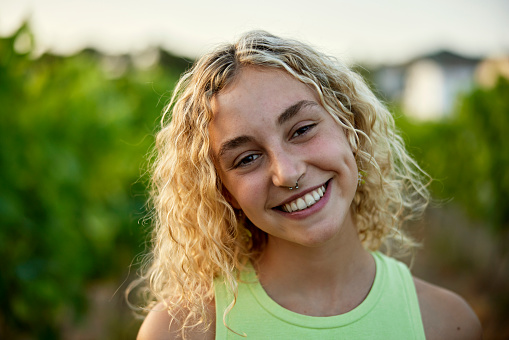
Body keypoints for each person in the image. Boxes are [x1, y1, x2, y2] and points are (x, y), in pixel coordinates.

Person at [131, 31, 482, 339]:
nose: (286, 173)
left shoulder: (446, 324)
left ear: (351, 127)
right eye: (247, 158)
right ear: (225, 192)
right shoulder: (182, 332)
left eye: (301, 130)